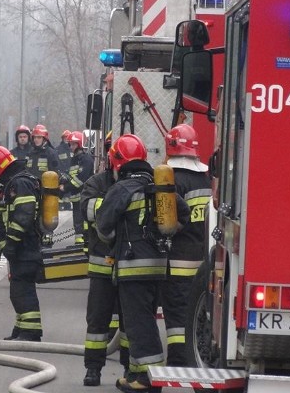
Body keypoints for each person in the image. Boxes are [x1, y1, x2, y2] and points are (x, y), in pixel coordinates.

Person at [96, 134, 189, 393]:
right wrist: (166, 233)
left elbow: (103, 227)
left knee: (140, 324)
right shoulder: (159, 187)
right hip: (159, 267)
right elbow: (183, 215)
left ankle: (149, 380)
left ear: (117, 162)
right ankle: (136, 373)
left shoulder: (120, 189)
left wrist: (115, 241)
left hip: (132, 267)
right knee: (140, 319)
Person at [79, 133, 129, 387]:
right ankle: (93, 369)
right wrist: (118, 206)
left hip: (130, 265)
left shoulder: (138, 183)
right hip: (102, 263)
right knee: (97, 320)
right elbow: (88, 210)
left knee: (130, 321)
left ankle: (131, 369)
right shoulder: (96, 183)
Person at [162, 124, 211, 366]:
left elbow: (166, 224)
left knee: (177, 314)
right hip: (205, 261)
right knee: (200, 315)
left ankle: (178, 363)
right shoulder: (206, 178)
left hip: (179, 260)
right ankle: (199, 359)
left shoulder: (171, 179)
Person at [0, 145, 43, 342]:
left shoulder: (20, 183)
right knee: (18, 290)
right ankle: (21, 328)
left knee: (22, 290)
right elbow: (8, 213)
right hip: (22, 248)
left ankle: (31, 332)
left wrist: (12, 243)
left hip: (25, 247)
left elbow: (24, 215)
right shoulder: (13, 182)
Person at [59, 131, 94, 246]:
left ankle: (86, 240)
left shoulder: (86, 159)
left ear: (79, 144)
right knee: (77, 220)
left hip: (84, 196)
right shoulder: (74, 159)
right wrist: (63, 179)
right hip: (75, 197)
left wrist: (66, 187)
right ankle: (79, 241)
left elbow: (80, 179)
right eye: (70, 144)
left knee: (83, 220)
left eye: (74, 144)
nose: (71, 147)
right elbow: (72, 175)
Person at [55, 130, 72, 210]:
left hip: (70, 173)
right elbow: (56, 161)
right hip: (61, 173)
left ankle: (67, 204)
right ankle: (60, 204)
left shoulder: (72, 149)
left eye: (68, 137)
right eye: (65, 137)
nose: (66, 139)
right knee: (61, 188)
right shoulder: (58, 149)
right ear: (62, 138)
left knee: (68, 189)